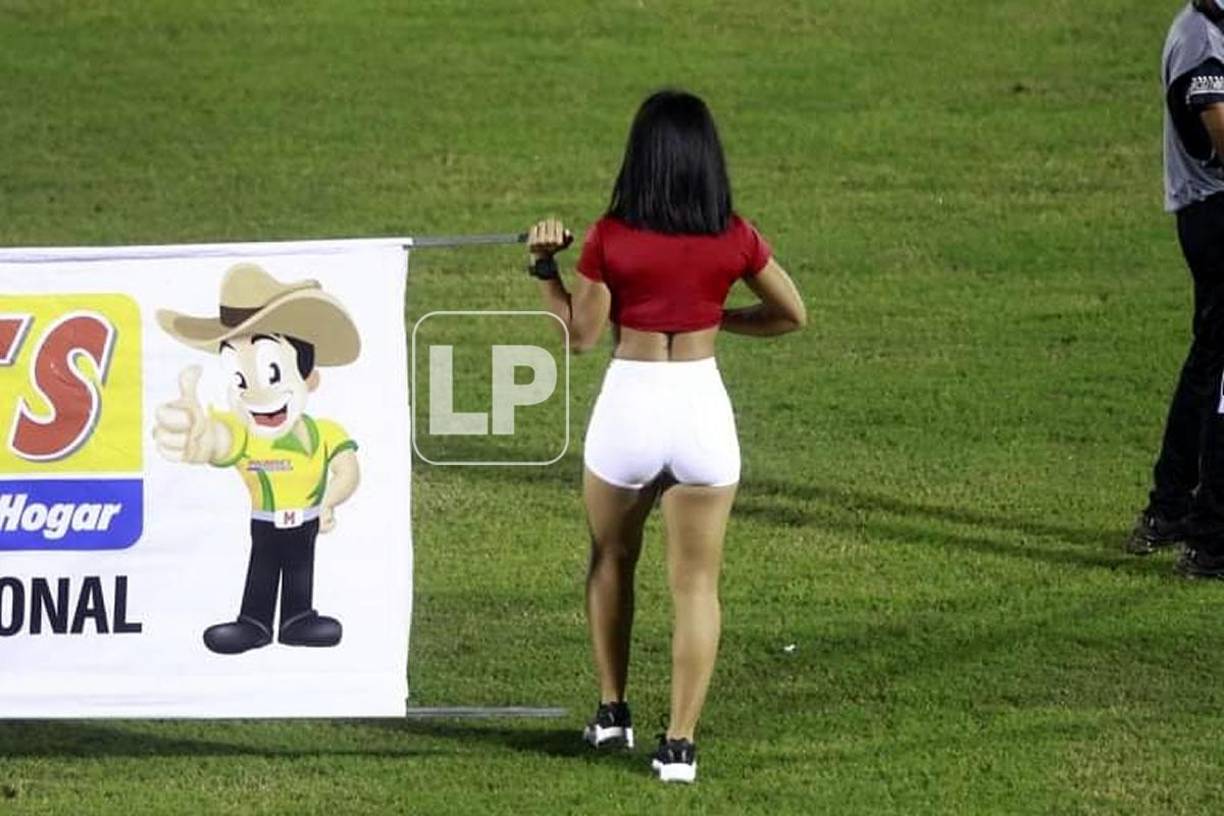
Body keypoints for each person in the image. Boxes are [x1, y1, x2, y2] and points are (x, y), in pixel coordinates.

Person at [524, 90, 806, 782]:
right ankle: (679, 746)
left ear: (640, 157)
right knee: (697, 585)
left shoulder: (610, 236)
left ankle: (612, 713)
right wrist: (717, 318)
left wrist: (544, 270)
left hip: (631, 405)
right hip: (701, 409)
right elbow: (791, 314)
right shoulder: (734, 236)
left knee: (611, 559)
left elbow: (581, 336)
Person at [153, 263, 362, 652]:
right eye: (239, 378)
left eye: (272, 372)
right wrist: (196, 434)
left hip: (305, 521)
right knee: (262, 569)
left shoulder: (326, 433)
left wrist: (328, 502)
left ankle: (298, 618)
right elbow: (219, 439)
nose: (255, 395)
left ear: (309, 377)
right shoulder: (245, 432)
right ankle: (254, 622)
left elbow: (347, 471)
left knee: (300, 569)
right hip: (265, 523)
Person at [1130, 1, 1224, 576]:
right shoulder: (1202, 40)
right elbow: (1219, 129)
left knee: (1210, 364)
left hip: (1209, 213)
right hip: (1215, 215)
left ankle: (1170, 508)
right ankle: (1211, 539)